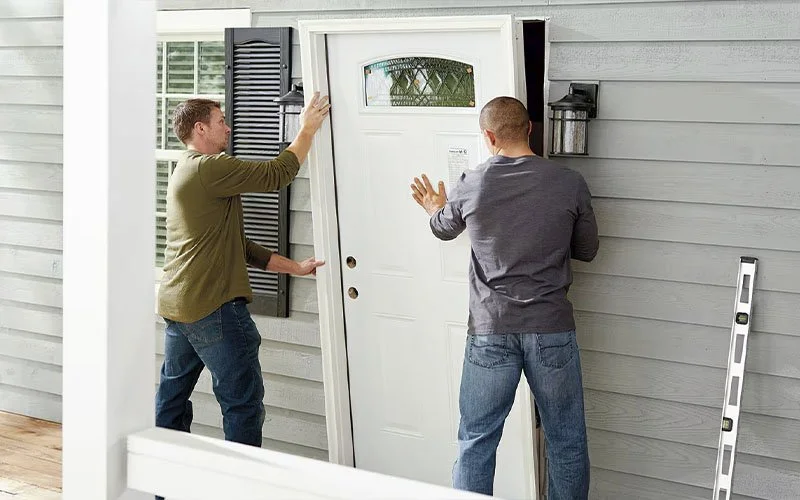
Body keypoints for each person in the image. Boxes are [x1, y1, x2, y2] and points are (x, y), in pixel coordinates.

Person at [410, 96, 598, 499]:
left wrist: (435, 208)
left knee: (477, 441)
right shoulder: (569, 183)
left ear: (489, 136)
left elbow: (443, 229)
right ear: (530, 129)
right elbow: (587, 249)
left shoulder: (471, 183)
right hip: (552, 330)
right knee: (566, 441)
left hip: (490, 331)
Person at [155, 94, 330, 449]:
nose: (228, 127)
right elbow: (277, 173)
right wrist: (307, 128)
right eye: (221, 122)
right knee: (243, 406)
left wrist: (294, 267)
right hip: (213, 308)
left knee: (171, 403)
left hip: (180, 307)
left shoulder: (186, 169)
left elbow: (240, 245)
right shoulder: (209, 168)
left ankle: (161, 480)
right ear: (200, 128)